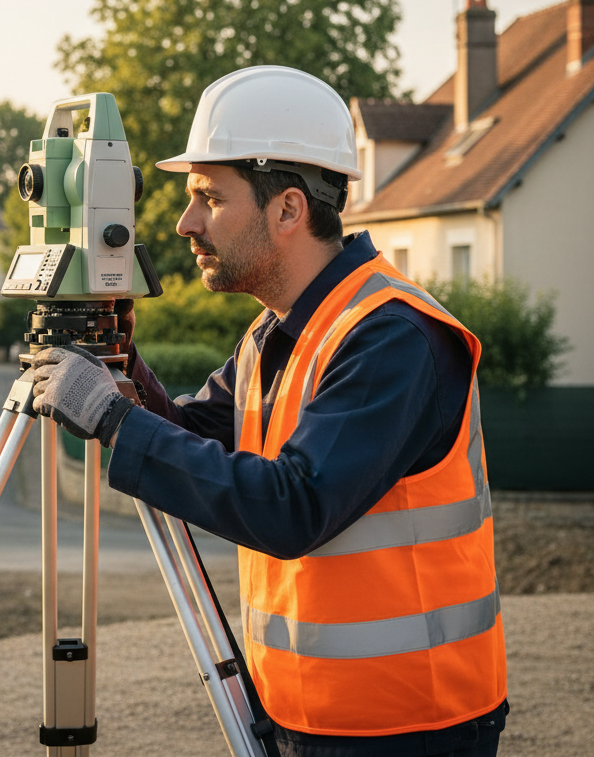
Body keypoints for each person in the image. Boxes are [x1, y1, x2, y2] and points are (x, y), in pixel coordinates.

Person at [31, 66, 508, 757]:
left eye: (207, 197)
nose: (183, 221)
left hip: (406, 725)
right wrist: (119, 362)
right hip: (301, 711)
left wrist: (110, 418)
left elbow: (293, 506)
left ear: (287, 210)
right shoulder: (278, 331)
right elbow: (192, 436)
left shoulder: (392, 337)